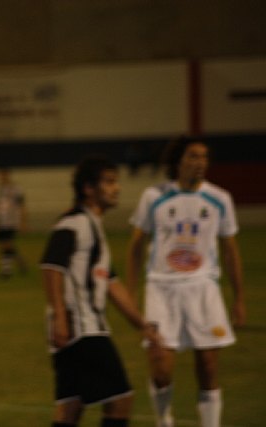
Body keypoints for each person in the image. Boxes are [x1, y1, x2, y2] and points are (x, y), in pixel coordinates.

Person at [126, 137, 246, 427]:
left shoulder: (219, 198)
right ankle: (163, 419)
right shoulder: (154, 197)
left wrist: (238, 298)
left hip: (204, 289)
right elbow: (136, 247)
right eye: (193, 156)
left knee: (207, 367)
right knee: (160, 367)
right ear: (178, 161)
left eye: (204, 157)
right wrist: (130, 295)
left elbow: (230, 251)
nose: (200, 162)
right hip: (161, 289)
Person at [40, 155, 159, 427]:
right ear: (88, 189)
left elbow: (112, 285)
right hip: (82, 329)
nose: (116, 188)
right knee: (120, 400)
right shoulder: (75, 222)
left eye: (115, 182)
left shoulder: (94, 227)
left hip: (81, 329)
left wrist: (142, 324)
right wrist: (60, 316)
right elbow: (51, 267)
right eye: (108, 182)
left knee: (71, 406)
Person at [0, 168, 28, 279]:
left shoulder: (15, 189)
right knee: (6, 245)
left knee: (6, 244)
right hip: (3, 221)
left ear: (7, 175)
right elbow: (0, 207)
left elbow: (21, 205)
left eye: (3, 175)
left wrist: (23, 222)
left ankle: (6, 270)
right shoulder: (0, 189)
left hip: (12, 221)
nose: (1, 178)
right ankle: (21, 262)